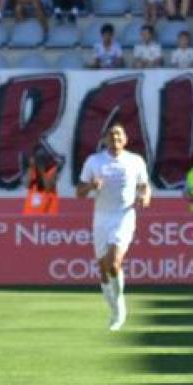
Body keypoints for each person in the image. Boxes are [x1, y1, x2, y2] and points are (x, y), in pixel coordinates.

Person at [75, 123, 150, 332]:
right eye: (112, 137)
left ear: (125, 140)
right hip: (101, 218)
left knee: (114, 262)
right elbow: (79, 192)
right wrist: (91, 186)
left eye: (119, 137)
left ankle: (120, 310)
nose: (115, 140)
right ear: (105, 140)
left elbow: (144, 186)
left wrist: (145, 197)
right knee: (103, 269)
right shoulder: (94, 161)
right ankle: (114, 310)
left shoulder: (135, 161)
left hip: (124, 216)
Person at [22, 148, 60, 215]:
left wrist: (41, 169)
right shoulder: (32, 170)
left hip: (48, 214)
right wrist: (31, 166)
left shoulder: (52, 170)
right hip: (30, 214)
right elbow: (26, 184)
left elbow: (48, 186)